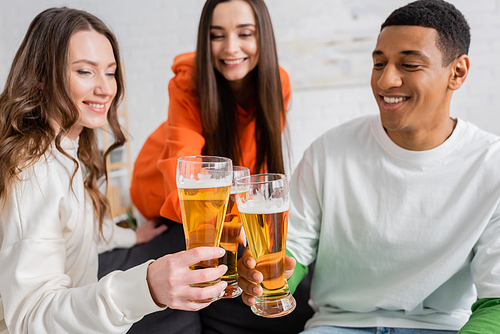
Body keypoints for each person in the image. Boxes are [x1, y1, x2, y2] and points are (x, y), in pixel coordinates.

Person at [238, 0, 500, 333]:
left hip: (441, 327)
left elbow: (497, 302)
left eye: (409, 64)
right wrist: (269, 277)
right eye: (379, 63)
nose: (386, 81)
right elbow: (294, 252)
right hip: (338, 325)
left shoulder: (492, 165)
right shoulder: (328, 151)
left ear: (457, 72)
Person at [0, 7, 229, 334]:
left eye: (110, 72)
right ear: (40, 76)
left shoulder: (64, 151)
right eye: (85, 72)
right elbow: (31, 317)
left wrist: (130, 236)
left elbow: (69, 228)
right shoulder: (32, 169)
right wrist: (146, 288)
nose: (106, 88)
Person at [101, 0, 314, 333]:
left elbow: (258, 164)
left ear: (264, 38)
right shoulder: (189, 81)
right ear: (205, 39)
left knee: (274, 272)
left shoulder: (277, 83)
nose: (231, 48)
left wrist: (251, 225)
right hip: (169, 195)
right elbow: (185, 170)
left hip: (226, 195)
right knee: (191, 259)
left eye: (245, 33)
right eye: (217, 36)